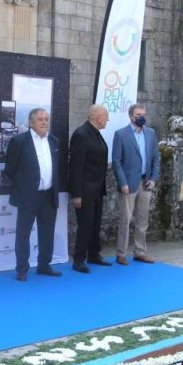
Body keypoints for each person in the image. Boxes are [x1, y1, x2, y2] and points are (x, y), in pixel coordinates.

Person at [5, 108, 61, 281]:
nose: (44, 122)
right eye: (40, 119)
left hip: (48, 195)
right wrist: (25, 187)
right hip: (28, 196)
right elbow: (10, 170)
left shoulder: (54, 141)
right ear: (31, 122)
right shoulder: (19, 141)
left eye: (46, 119)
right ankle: (22, 268)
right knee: (23, 234)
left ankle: (44, 265)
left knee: (47, 233)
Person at [112, 103, 160, 265]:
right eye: (139, 115)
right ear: (131, 116)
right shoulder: (121, 134)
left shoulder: (151, 133)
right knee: (125, 219)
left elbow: (155, 158)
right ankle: (121, 253)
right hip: (128, 184)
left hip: (146, 182)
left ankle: (140, 251)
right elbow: (116, 162)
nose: (142, 117)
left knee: (142, 219)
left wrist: (153, 178)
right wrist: (122, 182)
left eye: (144, 114)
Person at [68, 104, 111, 273]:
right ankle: (78, 259)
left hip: (97, 189)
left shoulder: (95, 134)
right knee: (85, 225)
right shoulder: (81, 134)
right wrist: (76, 194)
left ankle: (94, 254)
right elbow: (76, 167)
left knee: (96, 223)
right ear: (96, 116)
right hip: (85, 191)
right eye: (105, 116)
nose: (107, 119)